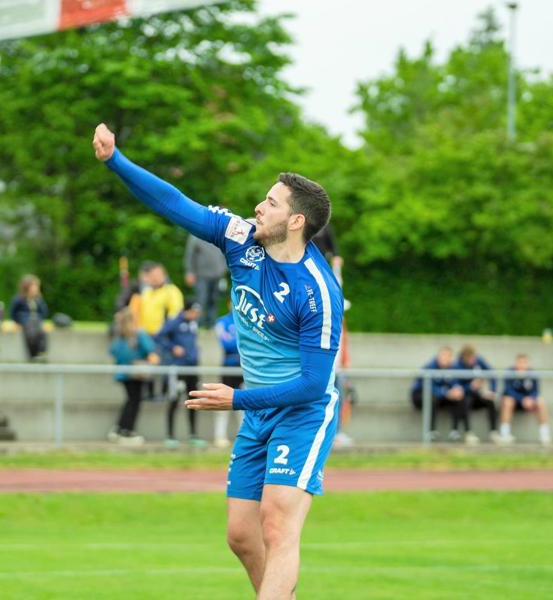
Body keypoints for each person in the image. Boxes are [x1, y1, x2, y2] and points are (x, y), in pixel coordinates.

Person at [95, 122, 343, 599]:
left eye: (271, 203)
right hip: (256, 409)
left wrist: (238, 399)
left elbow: (314, 384)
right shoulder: (241, 240)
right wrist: (115, 160)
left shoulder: (319, 292)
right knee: (241, 536)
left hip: (303, 413)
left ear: (296, 222)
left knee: (277, 524)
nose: (258, 206)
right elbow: (176, 203)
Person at [157, 300, 205, 448]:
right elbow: (159, 337)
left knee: (194, 401)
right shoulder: (174, 323)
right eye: (194, 312)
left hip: (192, 368)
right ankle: (170, 435)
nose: (196, 315)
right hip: (178, 368)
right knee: (174, 400)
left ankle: (193, 435)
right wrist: (173, 348)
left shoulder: (193, 324)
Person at [109, 307, 160, 445]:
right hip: (135, 374)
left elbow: (113, 354)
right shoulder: (138, 334)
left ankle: (120, 428)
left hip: (123, 373)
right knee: (134, 402)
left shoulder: (119, 336)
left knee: (130, 401)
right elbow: (152, 353)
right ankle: (127, 431)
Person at [411, 347, 464, 442]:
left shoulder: (451, 368)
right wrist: (446, 393)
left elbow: (454, 382)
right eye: (443, 356)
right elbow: (428, 387)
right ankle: (431, 431)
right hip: (420, 395)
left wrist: (457, 390)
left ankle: (454, 431)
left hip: (440, 395)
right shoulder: (430, 366)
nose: (445, 359)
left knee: (458, 398)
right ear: (439, 356)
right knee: (432, 399)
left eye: (448, 357)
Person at [497, 354, 551, 446]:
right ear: (515, 363)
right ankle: (505, 433)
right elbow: (508, 391)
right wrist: (522, 399)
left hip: (528, 403)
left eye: (524, 362)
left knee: (540, 401)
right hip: (515, 402)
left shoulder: (532, 374)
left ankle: (544, 434)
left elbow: (536, 391)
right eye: (520, 362)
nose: (522, 365)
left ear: (528, 364)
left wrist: (531, 399)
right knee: (507, 401)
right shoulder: (510, 373)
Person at [452, 346, 500, 445]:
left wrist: (492, 390)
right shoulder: (456, 365)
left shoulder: (478, 360)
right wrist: (470, 386)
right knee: (465, 402)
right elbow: (456, 386)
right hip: (465, 396)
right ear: (464, 358)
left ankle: (494, 432)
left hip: (477, 394)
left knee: (490, 401)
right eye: (470, 359)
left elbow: (492, 373)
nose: (472, 361)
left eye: (473, 358)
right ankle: (468, 433)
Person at [214, 310, 245, 449]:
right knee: (222, 402)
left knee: (245, 402)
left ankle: (244, 435)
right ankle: (220, 436)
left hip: (244, 367)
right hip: (228, 366)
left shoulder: (247, 319)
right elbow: (226, 343)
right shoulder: (222, 321)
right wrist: (241, 343)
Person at [185, 233, 227, 328]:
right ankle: (198, 324)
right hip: (201, 275)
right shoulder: (195, 236)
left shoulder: (218, 235)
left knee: (214, 300)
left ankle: (211, 324)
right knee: (201, 300)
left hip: (217, 275)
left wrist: (223, 270)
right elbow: (190, 255)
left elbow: (224, 254)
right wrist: (190, 272)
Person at [137, 261, 184, 336]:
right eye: (152, 275)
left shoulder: (171, 291)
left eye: (158, 275)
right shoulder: (146, 291)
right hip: (145, 335)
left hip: (163, 335)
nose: (155, 278)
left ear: (165, 276)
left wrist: (163, 330)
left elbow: (175, 314)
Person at [10, 274, 49, 362]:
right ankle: (33, 354)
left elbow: (44, 312)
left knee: (40, 330)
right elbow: (12, 312)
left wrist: (39, 300)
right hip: (25, 321)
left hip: (37, 321)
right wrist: (16, 323)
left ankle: (42, 350)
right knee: (31, 331)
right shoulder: (19, 299)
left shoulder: (38, 300)